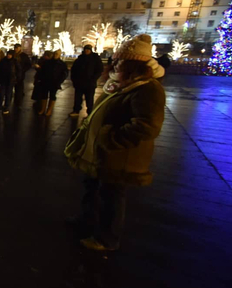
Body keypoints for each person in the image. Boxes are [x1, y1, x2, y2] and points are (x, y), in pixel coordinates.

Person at [65, 34, 166, 251]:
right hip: (100, 151)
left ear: (133, 64)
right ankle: (86, 222)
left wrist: (110, 138)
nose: (115, 63)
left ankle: (106, 239)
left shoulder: (147, 88)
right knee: (91, 187)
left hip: (118, 155)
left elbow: (147, 125)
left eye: (120, 60)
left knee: (111, 196)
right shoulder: (122, 83)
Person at [70, 44, 104, 117]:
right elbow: (74, 70)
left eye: (88, 49)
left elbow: (99, 70)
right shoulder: (80, 59)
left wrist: (93, 79)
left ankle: (90, 112)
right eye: (85, 49)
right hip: (79, 82)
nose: (86, 51)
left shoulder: (95, 59)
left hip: (89, 83)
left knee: (89, 99)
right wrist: (74, 80)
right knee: (78, 98)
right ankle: (76, 110)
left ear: (91, 50)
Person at [36, 50, 69, 116]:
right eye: (54, 54)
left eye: (56, 54)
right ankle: (43, 109)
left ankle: (49, 110)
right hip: (46, 81)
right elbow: (42, 71)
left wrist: (59, 81)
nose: (55, 55)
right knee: (44, 95)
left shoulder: (62, 64)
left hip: (55, 82)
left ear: (59, 55)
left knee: (52, 96)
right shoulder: (47, 62)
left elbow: (64, 74)